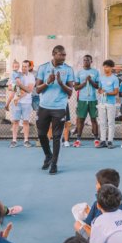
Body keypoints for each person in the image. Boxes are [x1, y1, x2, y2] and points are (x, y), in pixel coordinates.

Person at [35, 46, 75, 175]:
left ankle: (54, 164)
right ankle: (48, 155)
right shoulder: (43, 67)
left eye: (64, 55)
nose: (63, 57)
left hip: (59, 107)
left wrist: (60, 82)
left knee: (57, 137)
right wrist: (48, 82)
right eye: (61, 55)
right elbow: (37, 89)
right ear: (53, 54)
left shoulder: (68, 69)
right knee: (41, 134)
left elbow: (70, 92)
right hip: (44, 106)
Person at [74, 168, 122, 237]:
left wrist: (83, 225)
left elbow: (92, 226)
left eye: (96, 183)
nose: (95, 185)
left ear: (101, 188)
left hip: (104, 239)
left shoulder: (98, 204)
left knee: (78, 225)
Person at [7, 60, 36, 148]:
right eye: (22, 66)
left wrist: (19, 95)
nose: (23, 68)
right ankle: (14, 140)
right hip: (17, 103)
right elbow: (9, 87)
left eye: (26, 66)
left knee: (26, 122)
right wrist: (17, 88)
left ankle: (26, 140)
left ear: (29, 67)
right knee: (15, 121)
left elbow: (29, 90)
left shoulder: (31, 77)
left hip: (26, 103)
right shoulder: (16, 75)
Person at [73, 55, 100, 147]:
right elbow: (76, 87)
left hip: (92, 99)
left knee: (94, 119)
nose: (85, 61)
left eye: (87, 60)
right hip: (82, 100)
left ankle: (96, 139)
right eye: (84, 60)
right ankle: (78, 139)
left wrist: (91, 81)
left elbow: (97, 86)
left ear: (91, 61)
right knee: (80, 120)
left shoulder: (95, 72)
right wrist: (84, 82)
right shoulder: (79, 72)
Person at [96, 59, 119, 149]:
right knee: (102, 122)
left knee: (110, 122)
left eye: (108, 67)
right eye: (105, 66)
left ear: (111, 67)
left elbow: (116, 92)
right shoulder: (101, 77)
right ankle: (102, 141)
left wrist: (107, 93)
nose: (106, 68)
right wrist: (101, 91)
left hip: (111, 103)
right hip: (102, 103)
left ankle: (110, 141)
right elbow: (99, 89)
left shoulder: (114, 78)